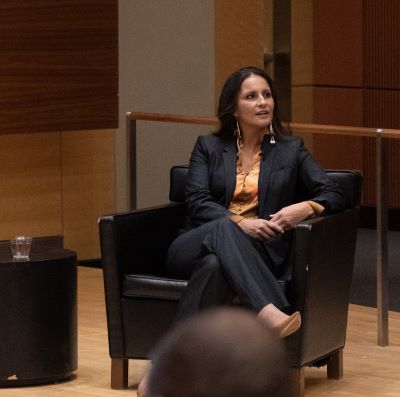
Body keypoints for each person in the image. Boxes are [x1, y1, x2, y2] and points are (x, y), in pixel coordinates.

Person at [137, 66, 345, 396]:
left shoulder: (291, 150)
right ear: (234, 108)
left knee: (215, 266)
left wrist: (304, 208)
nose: (263, 102)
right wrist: (240, 222)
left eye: (267, 95)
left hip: (254, 255)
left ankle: (161, 369)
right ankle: (268, 310)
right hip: (191, 244)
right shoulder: (207, 146)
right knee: (223, 226)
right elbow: (198, 201)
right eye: (251, 96)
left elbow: (335, 192)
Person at [146, 307, 291, 397]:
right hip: (183, 259)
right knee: (227, 257)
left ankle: (164, 374)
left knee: (212, 266)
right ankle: (265, 305)